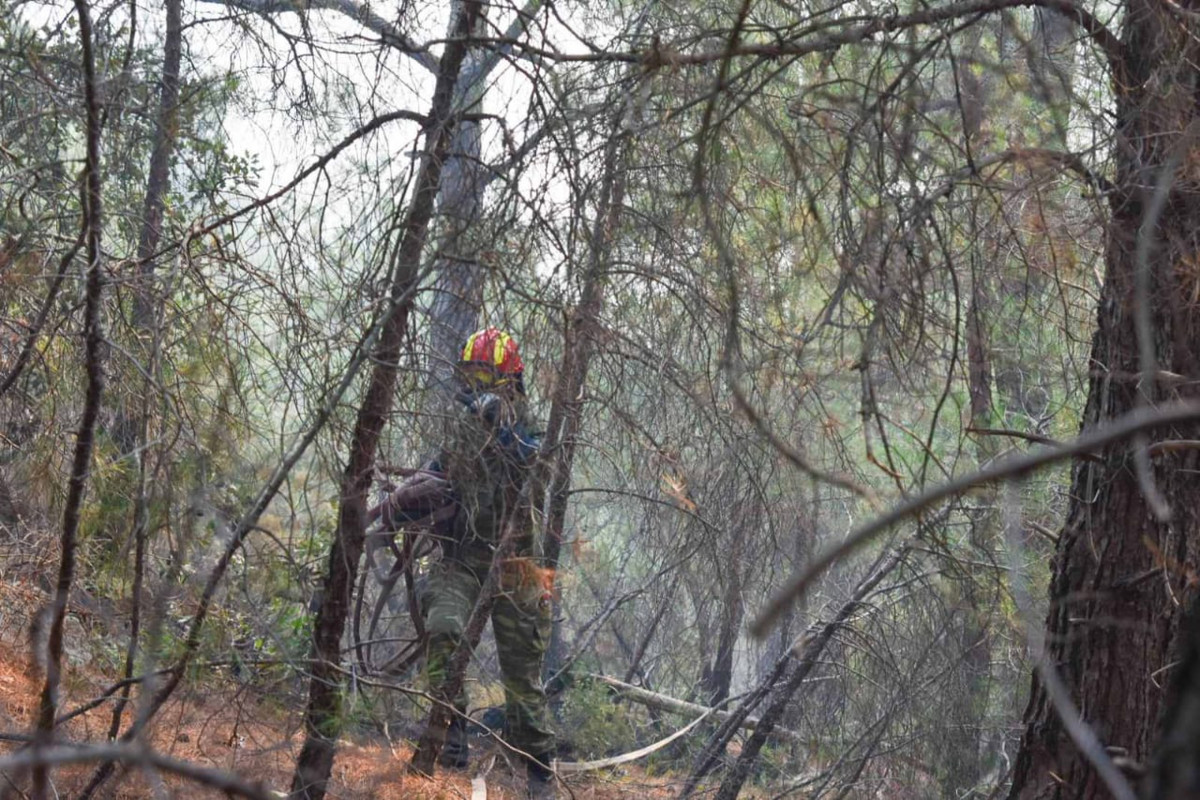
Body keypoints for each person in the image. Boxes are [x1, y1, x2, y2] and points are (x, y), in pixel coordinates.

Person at [420, 326, 555, 799]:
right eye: (472, 374)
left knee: (522, 673)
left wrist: (504, 430)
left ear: (509, 379)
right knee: (443, 627)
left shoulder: (532, 421)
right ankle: (450, 735)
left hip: (517, 563)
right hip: (462, 557)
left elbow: (539, 469)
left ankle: (538, 769)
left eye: (486, 376)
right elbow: (438, 470)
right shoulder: (458, 421)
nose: (476, 385)